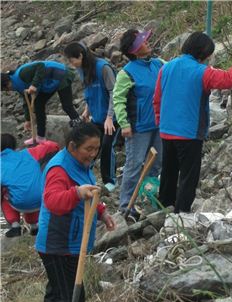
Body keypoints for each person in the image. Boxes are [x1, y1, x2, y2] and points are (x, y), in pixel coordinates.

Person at [34, 123, 115, 302]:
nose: (93, 154)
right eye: (88, 149)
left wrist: (101, 211)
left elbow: (90, 190)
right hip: (57, 244)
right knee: (72, 297)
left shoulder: (82, 164)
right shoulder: (58, 169)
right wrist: (76, 194)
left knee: (56, 293)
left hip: (72, 240)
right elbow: (52, 201)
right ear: (72, 146)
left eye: (96, 148)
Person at [153, 32, 232, 213]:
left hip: (166, 131)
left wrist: (160, 121)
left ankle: (163, 206)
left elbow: (157, 98)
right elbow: (230, 79)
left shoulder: (166, 68)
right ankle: (181, 214)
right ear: (204, 53)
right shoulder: (202, 72)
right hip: (189, 133)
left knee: (168, 171)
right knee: (188, 176)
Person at [113, 29, 163, 218]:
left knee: (157, 163)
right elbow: (118, 99)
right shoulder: (126, 73)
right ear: (133, 51)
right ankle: (126, 206)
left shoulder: (158, 64)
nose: (147, 42)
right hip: (138, 128)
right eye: (142, 42)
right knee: (134, 165)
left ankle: (148, 198)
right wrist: (124, 123)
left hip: (159, 124)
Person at [64, 42, 119, 192]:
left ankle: (110, 182)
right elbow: (90, 93)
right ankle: (83, 177)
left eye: (71, 60)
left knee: (107, 146)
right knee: (87, 145)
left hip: (112, 118)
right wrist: (86, 112)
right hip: (96, 117)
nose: (71, 64)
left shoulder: (103, 68)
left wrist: (109, 117)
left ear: (80, 55)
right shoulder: (82, 70)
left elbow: (114, 93)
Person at [0, 61, 81, 145]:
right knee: (38, 105)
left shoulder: (22, 74)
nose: (9, 90)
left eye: (6, 89)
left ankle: (80, 127)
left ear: (7, 82)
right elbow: (26, 101)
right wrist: (28, 120)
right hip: (47, 82)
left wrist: (34, 84)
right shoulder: (17, 85)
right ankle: (40, 137)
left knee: (66, 106)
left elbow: (40, 66)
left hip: (60, 74)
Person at [1, 133, 59, 237]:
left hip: (20, 203)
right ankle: (34, 226)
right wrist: (39, 143)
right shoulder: (30, 152)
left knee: (5, 192)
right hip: (41, 199)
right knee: (28, 186)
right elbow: (54, 146)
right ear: (14, 145)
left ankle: (15, 226)